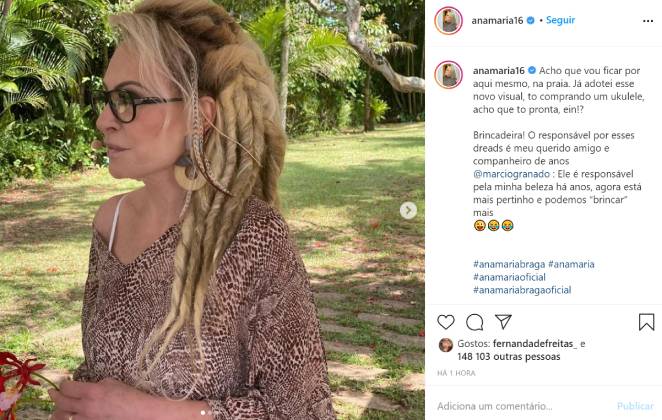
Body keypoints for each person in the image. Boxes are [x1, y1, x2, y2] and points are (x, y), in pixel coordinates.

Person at [46, 0, 336, 419]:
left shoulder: (253, 235)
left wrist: (141, 411)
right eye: (107, 98)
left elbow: (302, 410)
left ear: (199, 116)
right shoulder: (111, 222)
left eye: (129, 98)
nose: (103, 120)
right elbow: (100, 371)